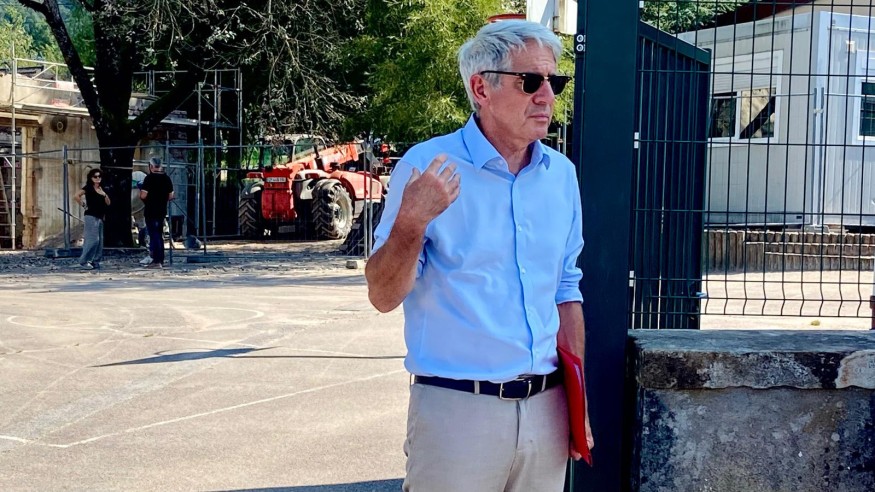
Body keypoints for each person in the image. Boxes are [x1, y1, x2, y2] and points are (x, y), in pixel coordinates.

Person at [365, 20, 592, 491]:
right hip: (457, 413)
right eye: (530, 81)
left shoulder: (561, 175)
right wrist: (411, 222)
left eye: (555, 82)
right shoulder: (427, 166)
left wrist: (578, 403)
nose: (546, 96)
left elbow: (566, 291)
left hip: (547, 409)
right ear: (481, 88)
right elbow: (383, 296)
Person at [140, 157, 174, 269]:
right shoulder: (167, 178)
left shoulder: (149, 178)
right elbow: (171, 196)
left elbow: (143, 195)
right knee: (159, 235)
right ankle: (161, 259)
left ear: (150, 166)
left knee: (154, 235)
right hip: (161, 210)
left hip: (151, 210)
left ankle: (156, 260)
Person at [74, 168, 110, 270]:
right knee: (93, 239)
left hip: (100, 217)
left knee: (100, 241)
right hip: (91, 215)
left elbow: (108, 203)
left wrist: (104, 194)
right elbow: (76, 196)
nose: (98, 178)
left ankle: (95, 260)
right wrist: (83, 205)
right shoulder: (88, 188)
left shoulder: (102, 189)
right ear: (91, 178)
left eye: (99, 176)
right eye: (95, 176)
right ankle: (84, 260)